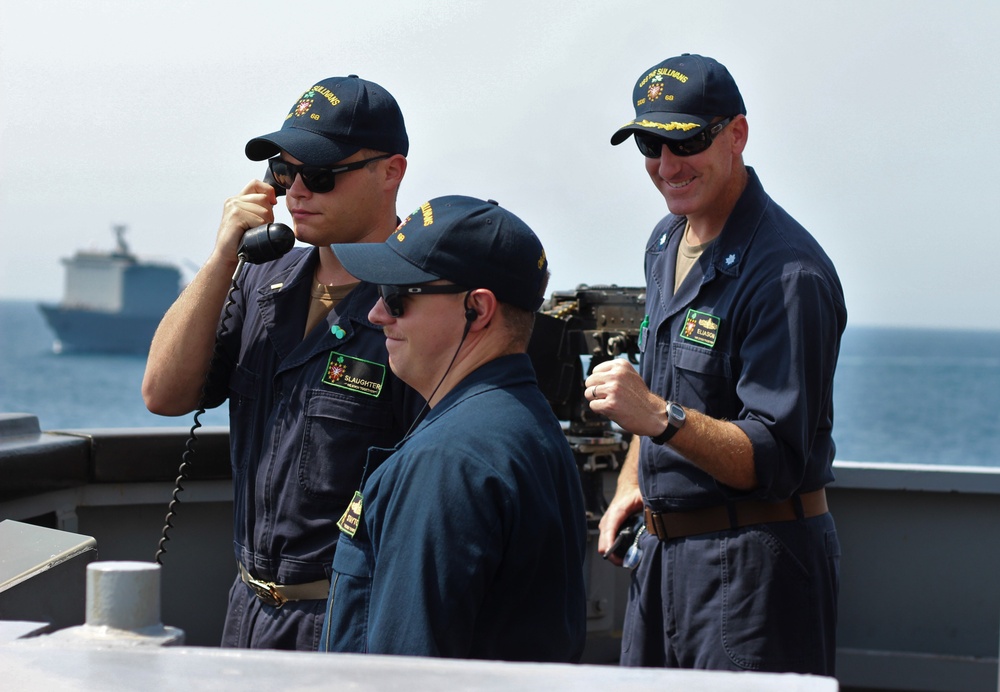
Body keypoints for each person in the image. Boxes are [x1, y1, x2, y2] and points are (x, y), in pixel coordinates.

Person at [142, 76, 422, 650]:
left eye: (319, 176)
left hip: (349, 620)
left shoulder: (420, 304)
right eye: (283, 172)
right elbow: (164, 395)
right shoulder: (261, 280)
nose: (296, 192)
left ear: (390, 172)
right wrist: (224, 257)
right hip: (248, 610)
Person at [590, 54, 847, 674]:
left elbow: (774, 457)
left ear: (737, 134)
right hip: (663, 557)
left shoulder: (788, 274)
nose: (667, 166)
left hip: (753, 570)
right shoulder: (666, 241)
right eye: (650, 144)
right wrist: (633, 480)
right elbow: (662, 380)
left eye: (688, 142)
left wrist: (653, 415)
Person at [317, 195, 588, 662]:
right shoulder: (524, 423)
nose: (376, 314)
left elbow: (406, 669)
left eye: (396, 296)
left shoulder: (446, 463)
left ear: (477, 310)